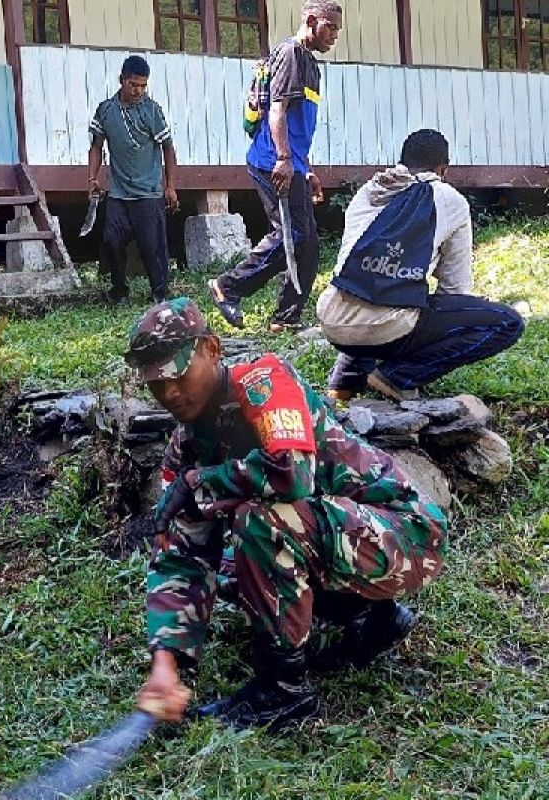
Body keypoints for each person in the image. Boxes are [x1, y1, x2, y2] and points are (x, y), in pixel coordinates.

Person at [127, 297, 447, 729]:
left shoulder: (261, 381)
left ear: (212, 350)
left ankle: (284, 693)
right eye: (156, 384)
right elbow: (179, 553)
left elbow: (291, 473)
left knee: (262, 522)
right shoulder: (186, 448)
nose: (169, 393)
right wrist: (165, 664)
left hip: (406, 535)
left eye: (178, 374)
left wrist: (199, 484)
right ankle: (374, 620)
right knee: (232, 569)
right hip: (349, 539)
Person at [318, 129, 524, 402]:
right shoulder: (450, 200)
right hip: (388, 330)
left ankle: (345, 380)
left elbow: (358, 270)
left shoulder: (369, 191)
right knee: (508, 323)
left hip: (333, 320)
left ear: (403, 160)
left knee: (373, 287)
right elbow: (454, 289)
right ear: (443, 169)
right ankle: (398, 376)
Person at [208, 0, 342, 333]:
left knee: (307, 241)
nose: (335, 35)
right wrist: (284, 159)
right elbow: (277, 111)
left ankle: (285, 318)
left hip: (291, 163)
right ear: (311, 21)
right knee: (292, 235)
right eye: (331, 27)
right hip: (272, 162)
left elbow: (300, 124)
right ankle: (229, 287)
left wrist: (305, 169)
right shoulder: (291, 54)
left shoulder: (311, 64)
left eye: (338, 29)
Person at [87, 54, 179, 305]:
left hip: (148, 192)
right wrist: (92, 178)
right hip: (118, 192)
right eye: (133, 85)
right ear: (122, 80)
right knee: (111, 240)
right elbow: (96, 145)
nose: (138, 91)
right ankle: (119, 291)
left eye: (142, 86)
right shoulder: (106, 110)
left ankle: (159, 293)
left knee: (153, 248)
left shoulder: (152, 111)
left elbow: (168, 148)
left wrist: (170, 187)